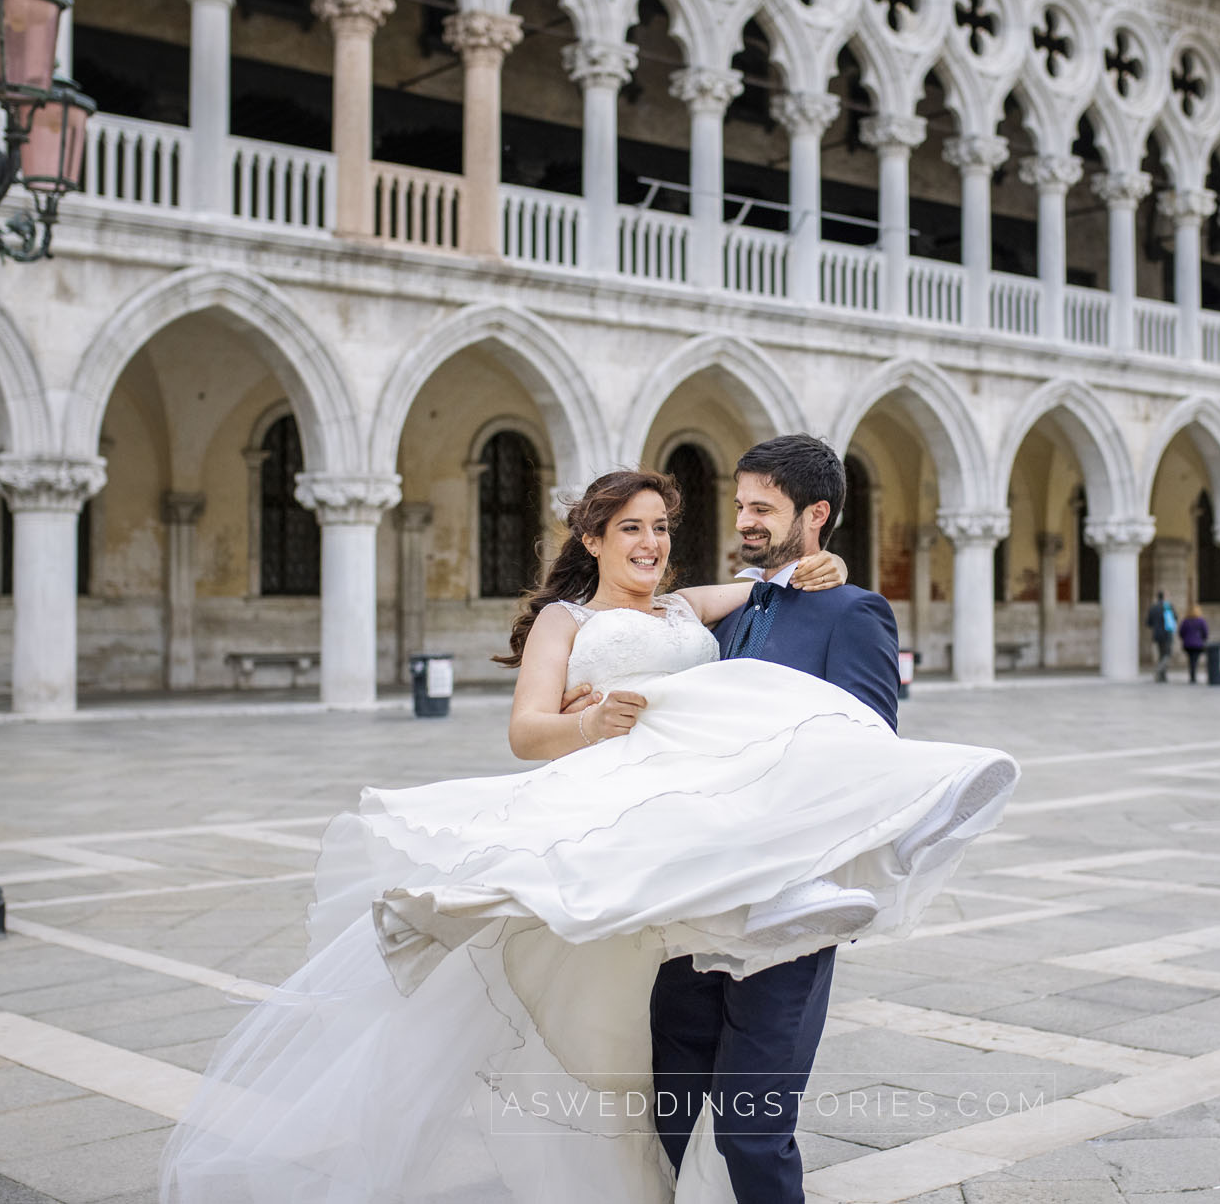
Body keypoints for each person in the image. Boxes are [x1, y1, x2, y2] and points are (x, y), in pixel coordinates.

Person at [160, 453, 1020, 1204]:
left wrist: (822, 566)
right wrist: (591, 724)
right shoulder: (565, 622)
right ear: (594, 540)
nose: (652, 543)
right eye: (632, 528)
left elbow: (778, 593)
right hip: (638, 849)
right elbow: (526, 731)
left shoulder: (691, 611)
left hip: (726, 859)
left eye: (662, 527)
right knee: (663, 1077)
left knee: (743, 1105)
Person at [1146, 590, 1176, 682]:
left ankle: (1162, 676)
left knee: (1161, 654)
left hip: (1157, 635)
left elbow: (1148, 623)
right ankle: (1159, 670)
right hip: (1167, 634)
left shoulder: (1153, 608)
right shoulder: (1168, 607)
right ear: (1164, 597)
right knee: (1167, 654)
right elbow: (1175, 618)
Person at [1180, 603, 1209, 684]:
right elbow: (1205, 632)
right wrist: (1203, 639)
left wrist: (1185, 638)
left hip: (1188, 644)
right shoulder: (1201, 621)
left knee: (1191, 660)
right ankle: (1193, 676)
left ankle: (1192, 676)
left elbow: (1181, 632)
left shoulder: (1186, 621)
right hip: (1197, 644)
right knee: (1195, 660)